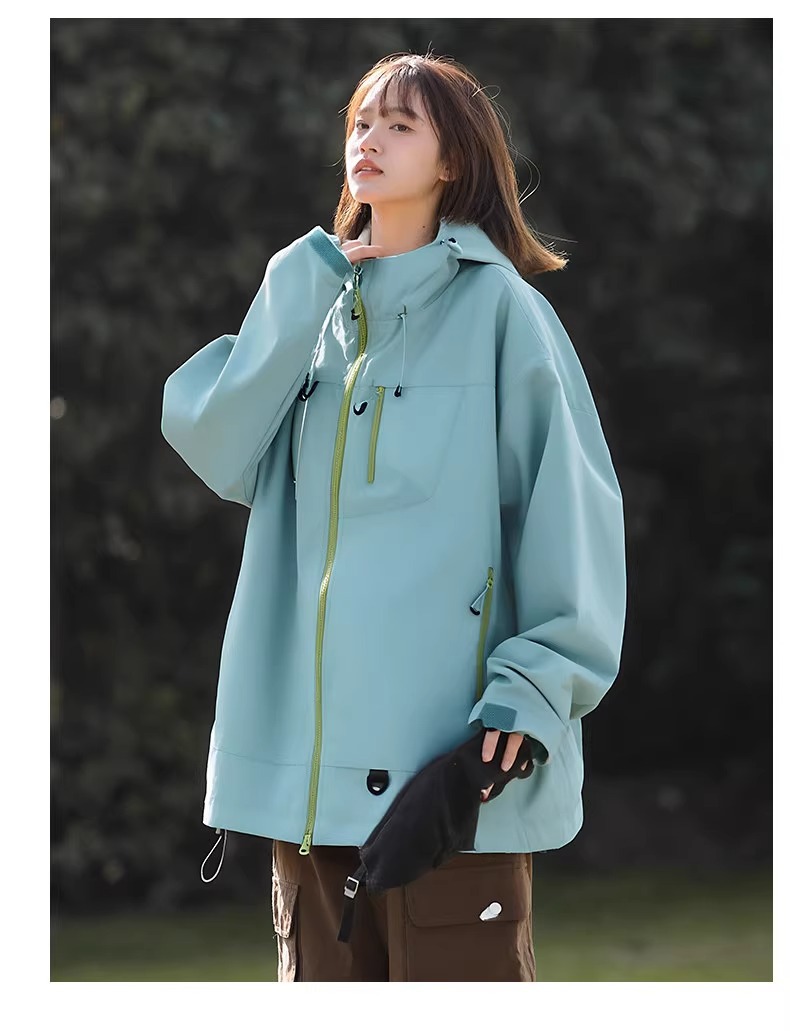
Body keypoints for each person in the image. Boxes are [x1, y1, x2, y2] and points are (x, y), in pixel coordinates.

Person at [160, 51, 627, 982]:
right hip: (308, 795)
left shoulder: (506, 313)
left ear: (452, 159)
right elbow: (216, 447)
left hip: (447, 783)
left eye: (401, 124)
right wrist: (297, 289)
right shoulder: (313, 312)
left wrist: (530, 694)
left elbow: (570, 517)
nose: (369, 139)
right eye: (361, 122)